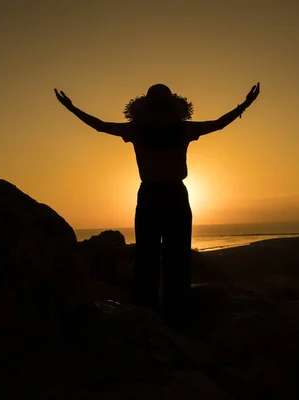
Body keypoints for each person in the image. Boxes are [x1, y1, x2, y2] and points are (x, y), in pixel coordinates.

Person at [54, 82, 260, 325]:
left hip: (156, 195)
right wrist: (245, 104)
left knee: (152, 254)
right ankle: (169, 309)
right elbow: (218, 124)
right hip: (168, 195)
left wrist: (72, 108)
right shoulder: (174, 130)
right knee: (171, 254)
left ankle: (151, 308)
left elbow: (100, 126)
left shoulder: (142, 130)